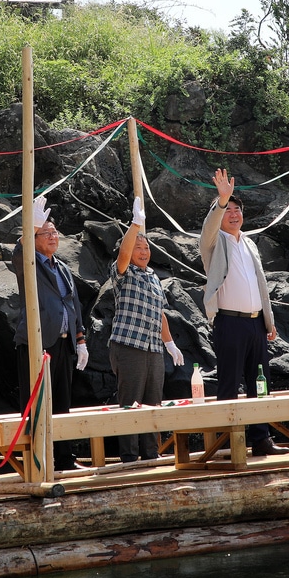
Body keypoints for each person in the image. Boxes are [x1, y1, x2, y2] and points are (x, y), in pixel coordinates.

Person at [198, 168, 288, 457]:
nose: (233, 214)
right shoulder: (214, 243)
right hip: (229, 322)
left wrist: (268, 321)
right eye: (228, 211)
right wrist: (221, 201)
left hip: (255, 324)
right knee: (229, 382)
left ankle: (261, 439)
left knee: (260, 382)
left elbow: (260, 283)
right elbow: (208, 229)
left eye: (237, 209)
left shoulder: (248, 242)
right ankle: (228, 443)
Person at [11, 195, 86, 471]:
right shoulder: (29, 263)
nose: (53, 237)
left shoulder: (63, 268)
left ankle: (65, 459)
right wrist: (31, 226)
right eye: (47, 233)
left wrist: (81, 340)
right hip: (37, 343)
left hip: (65, 345)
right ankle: (38, 460)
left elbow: (73, 305)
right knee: (37, 404)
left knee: (63, 404)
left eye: (55, 232)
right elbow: (20, 251)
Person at [109, 197, 184, 462]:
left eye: (147, 247)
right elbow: (123, 254)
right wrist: (135, 225)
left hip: (153, 348)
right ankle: (129, 458)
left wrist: (170, 344)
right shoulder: (123, 272)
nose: (143, 251)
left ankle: (151, 454)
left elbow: (159, 313)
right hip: (129, 346)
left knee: (154, 404)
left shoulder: (153, 276)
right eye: (139, 247)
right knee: (130, 404)